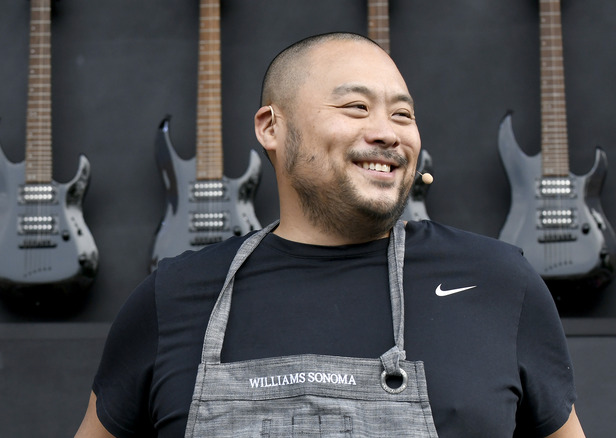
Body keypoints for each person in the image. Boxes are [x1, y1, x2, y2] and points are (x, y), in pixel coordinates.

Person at [75, 32, 585, 437]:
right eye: (357, 108)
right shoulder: (174, 295)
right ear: (272, 127)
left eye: (402, 114)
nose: (388, 132)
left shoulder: (496, 281)